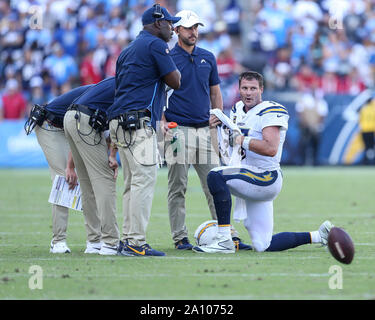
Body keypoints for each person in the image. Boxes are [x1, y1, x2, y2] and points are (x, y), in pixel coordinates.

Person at [193, 71, 333, 253]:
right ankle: (318, 236)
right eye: (244, 88)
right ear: (239, 89)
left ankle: (224, 240)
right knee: (263, 245)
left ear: (261, 90)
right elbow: (232, 141)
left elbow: (270, 148)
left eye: (253, 88)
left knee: (215, 175)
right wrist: (219, 126)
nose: (248, 92)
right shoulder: (236, 109)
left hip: (265, 177)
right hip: (247, 175)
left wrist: (243, 140)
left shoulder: (271, 110)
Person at [162, 10, 251, 250]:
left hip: (204, 130)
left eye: (196, 28)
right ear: (177, 30)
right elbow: (159, 94)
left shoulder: (208, 57)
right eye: (189, 28)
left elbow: (215, 93)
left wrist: (218, 116)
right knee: (178, 186)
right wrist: (162, 123)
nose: (194, 32)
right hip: (177, 130)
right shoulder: (167, 57)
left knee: (216, 185)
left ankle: (227, 235)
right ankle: (180, 237)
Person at [106, 4, 181, 257]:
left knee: (131, 183)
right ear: (158, 23)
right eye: (170, 23)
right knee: (143, 181)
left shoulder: (127, 50)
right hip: (137, 123)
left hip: (119, 121)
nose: (173, 28)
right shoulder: (155, 45)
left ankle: (127, 239)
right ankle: (135, 242)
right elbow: (176, 81)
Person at [26, 84, 94, 253]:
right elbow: (78, 131)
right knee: (63, 178)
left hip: (65, 126)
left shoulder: (108, 91)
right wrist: (71, 166)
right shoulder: (100, 97)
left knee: (89, 178)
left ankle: (95, 240)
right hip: (49, 126)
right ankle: (58, 241)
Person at [64, 77, 121, 255]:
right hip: (84, 120)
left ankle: (94, 241)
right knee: (105, 180)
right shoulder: (129, 86)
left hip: (71, 118)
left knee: (87, 184)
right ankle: (110, 242)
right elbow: (116, 123)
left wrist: (70, 166)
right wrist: (112, 156)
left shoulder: (107, 85)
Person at [295, 89, 328, 166]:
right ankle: (302, 162)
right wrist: (306, 124)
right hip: (305, 127)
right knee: (304, 144)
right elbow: (301, 113)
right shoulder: (305, 99)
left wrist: (316, 126)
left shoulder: (321, 102)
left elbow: (322, 116)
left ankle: (314, 162)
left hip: (316, 127)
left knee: (315, 145)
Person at [358, 97, 375, 165]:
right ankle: (370, 161)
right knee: (371, 147)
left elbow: (360, 120)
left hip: (364, 130)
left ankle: (368, 160)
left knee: (367, 147)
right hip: (372, 130)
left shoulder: (363, 109)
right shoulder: (373, 109)